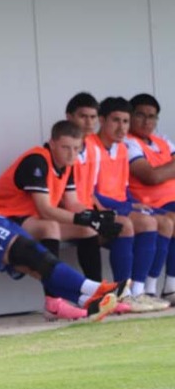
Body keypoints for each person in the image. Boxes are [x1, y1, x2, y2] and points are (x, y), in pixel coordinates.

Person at [0, 108, 121, 322]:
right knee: (28, 252)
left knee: (34, 258)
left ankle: (84, 300)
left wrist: (94, 216)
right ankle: (95, 289)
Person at [0, 119, 123, 318]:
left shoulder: (67, 164)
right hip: (3, 218)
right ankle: (53, 302)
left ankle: (97, 297)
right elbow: (45, 210)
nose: (71, 154)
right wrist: (85, 218)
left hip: (30, 219)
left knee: (87, 230)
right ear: (52, 143)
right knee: (50, 227)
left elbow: (73, 203)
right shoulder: (37, 160)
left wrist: (95, 217)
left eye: (76, 148)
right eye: (65, 147)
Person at [88, 96, 170, 312]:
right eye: (116, 120)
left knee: (163, 221)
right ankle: (123, 292)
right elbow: (89, 193)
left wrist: (133, 204)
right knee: (137, 224)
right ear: (102, 120)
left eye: (125, 121)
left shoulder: (121, 148)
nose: (122, 127)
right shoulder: (90, 147)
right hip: (95, 209)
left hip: (118, 207)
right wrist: (127, 208)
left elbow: (123, 190)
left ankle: (142, 291)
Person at [126, 93, 175, 304]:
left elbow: (158, 173)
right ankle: (158, 288)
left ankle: (170, 286)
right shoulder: (128, 142)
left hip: (171, 201)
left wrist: (164, 171)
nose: (147, 121)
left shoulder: (162, 141)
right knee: (171, 220)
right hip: (148, 203)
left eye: (152, 116)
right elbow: (151, 176)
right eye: (140, 115)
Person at [65, 92, 104, 282]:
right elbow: (59, 197)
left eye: (93, 117)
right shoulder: (60, 149)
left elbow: (90, 191)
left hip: (83, 209)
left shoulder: (95, 149)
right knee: (88, 228)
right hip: (62, 212)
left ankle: (130, 289)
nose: (89, 122)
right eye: (83, 116)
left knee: (123, 227)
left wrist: (103, 212)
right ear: (69, 117)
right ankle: (96, 287)